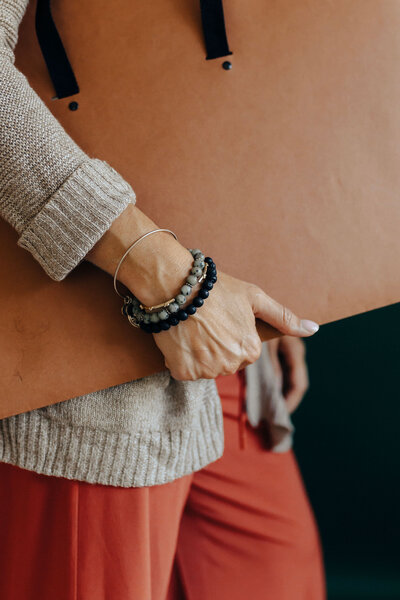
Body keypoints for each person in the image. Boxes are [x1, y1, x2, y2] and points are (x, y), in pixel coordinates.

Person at [0, 1, 325, 598]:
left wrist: (258, 280)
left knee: (281, 577)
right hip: (85, 374)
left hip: (222, 335)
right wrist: (175, 287)